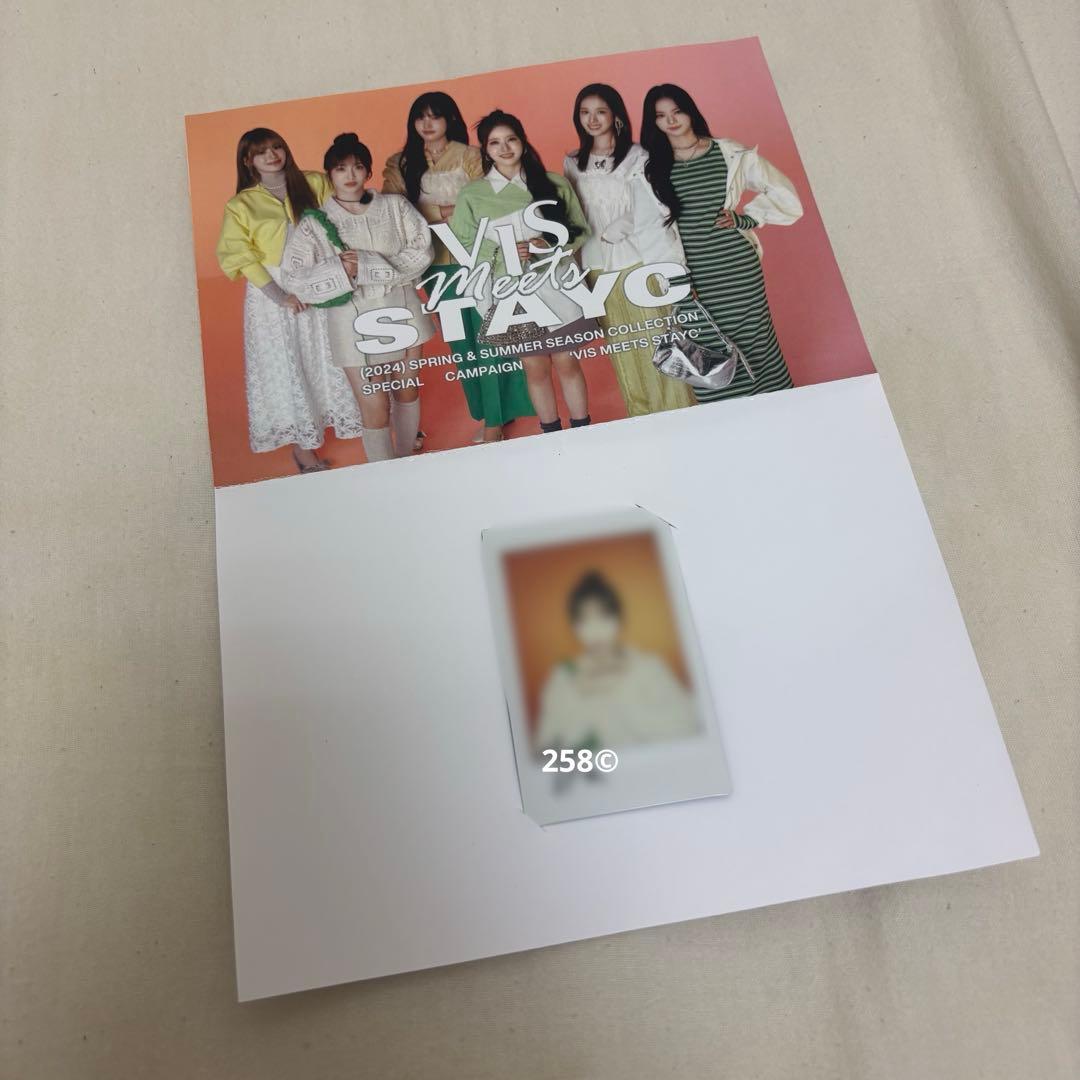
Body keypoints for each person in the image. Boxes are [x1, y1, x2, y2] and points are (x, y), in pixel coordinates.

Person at [383, 91, 534, 444]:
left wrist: (427, 212)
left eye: (435, 116)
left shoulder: (471, 156)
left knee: (491, 338)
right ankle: (489, 411)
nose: (427, 123)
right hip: (433, 264)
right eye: (420, 116)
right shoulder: (399, 162)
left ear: (450, 119)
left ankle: (495, 422)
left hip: (479, 257)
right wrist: (448, 211)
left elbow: (489, 200)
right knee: (461, 345)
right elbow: (393, 211)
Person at [641, 84, 803, 403]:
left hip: (738, 268)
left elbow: (784, 193)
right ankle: (728, 420)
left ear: (690, 112)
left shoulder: (728, 152)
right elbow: (650, 231)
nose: (671, 121)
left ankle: (781, 408)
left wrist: (746, 219)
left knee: (758, 342)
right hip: (693, 277)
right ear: (653, 122)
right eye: (661, 116)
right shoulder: (651, 168)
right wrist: (674, 280)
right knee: (706, 347)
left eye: (677, 112)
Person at [215, 128, 364, 472]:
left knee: (328, 355)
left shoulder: (314, 182)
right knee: (288, 363)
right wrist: (280, 296)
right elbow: (238, 255)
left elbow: (342, 217)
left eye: (277, 147)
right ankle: (303, 449)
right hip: (273, 291)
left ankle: (366, 423)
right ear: (247, 160)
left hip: (320, 277)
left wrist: (332, 276)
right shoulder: (241, 204)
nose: (271, 156)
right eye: (261, 152)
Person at [279, 133, 434, 462]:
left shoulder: (395, 207)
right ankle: (384, 474)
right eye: (340, 168)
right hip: (352, 320)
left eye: (358, 167)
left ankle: (407, 460)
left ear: (368, 171)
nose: (350, 175)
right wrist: (340, 270)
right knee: (373, 403)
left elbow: (422, 250)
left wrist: (367, 265)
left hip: (403, 307)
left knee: (407, 388)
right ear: (329, 175)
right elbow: (294, 278)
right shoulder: (314, 224)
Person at [450, 109, 596, 433]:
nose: (504, 149)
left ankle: (584, 430)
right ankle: (551, 434)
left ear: (523, 141)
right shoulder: (473, 195)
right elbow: (463, 244)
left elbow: (580, 230)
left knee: (567, 361)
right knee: (534, 367)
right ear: (485, 149)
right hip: (511, 293)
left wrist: (547, 243)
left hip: (556, 285)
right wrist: (503, 251)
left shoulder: (553, 183)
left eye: (511, 139)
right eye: (495, 143)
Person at [563, 84, 696, 417]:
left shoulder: (638, 156)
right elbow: (573, 216)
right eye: (585, 112)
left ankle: (678, 412)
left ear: (616, 115)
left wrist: (619, 227)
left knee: (656, 340)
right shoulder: (572, 162)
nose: (592, 119)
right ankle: (641, 416)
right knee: (621, 346)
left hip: (637, 260)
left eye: (601, 111)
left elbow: (654, 206)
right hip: (596, 268)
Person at [534, 571, 699, 751]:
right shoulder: (564, 676)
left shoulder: (649, 667)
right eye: (583, 621)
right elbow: (547, 744)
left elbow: (687, 724)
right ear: (574, 626)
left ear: (619, 619)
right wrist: (582, 702)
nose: (595, 630)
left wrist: (624, 698)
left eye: (604, 617)